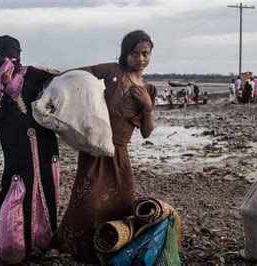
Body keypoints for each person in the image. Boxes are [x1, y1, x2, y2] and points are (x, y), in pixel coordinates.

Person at [50, 30, 157, 263]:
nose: (140, 58)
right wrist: (54, 86)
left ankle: (112, 245)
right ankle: (77, 248)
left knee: (123, 201)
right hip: (96, 148)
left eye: (145, 53)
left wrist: (147, 107)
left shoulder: (148, 90)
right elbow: (79, 75)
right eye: (135, 53)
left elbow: (147, 132)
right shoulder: (112, 72)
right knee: (88, 201)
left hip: (120, 152)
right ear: (125, 54)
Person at [0, 35, 60, 263]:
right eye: (2, 58)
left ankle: (42, 241)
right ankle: (12, 246)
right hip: (16, 148)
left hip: (45, 144)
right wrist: (4, 86)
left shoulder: (33, 74)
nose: (8, 62)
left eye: (13, 57)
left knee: (46, 186)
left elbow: (63, 81)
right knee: (16, 186)